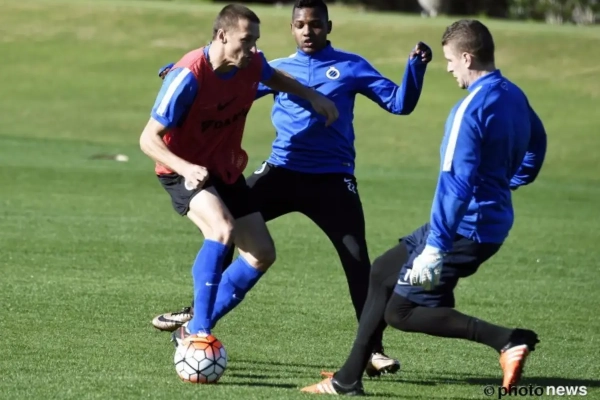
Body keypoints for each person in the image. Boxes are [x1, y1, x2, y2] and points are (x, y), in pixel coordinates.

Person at [152, 0, 432, 376]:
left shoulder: (351, 66)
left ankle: (373, 351)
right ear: (292, 28)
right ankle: (198, 319)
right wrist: (179, 76)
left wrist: (415, 69)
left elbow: (400, 104)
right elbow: (220, 88)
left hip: (332, 180)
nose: (307, 31)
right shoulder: (267, 66)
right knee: (226, 229)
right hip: (281, 172)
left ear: (328, 27)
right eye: (300, 25)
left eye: (315, 24)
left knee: (357, 263)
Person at [300, 19, 547, 395]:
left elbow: (454, 184)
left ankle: (507, 339)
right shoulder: (514, 94)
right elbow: (537, 143)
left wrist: (435, 248)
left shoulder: (469, 110)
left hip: (465, 229)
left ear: (467, 58)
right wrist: (509, 182)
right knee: (381, 272)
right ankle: (347, 378)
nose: (448, 68)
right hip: (476, 222)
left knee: (401, 313)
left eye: (450, 60)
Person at [140, 3, 339, 342]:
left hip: (225, 168)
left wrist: (311, 95)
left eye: (256, 40)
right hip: (181, 168)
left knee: (262, 253)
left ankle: (189, 330)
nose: (253, 49)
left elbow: (274, 76)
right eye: (246, 40)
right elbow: (148, 139)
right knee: (221, 229)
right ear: (222, 36)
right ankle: (200, 332)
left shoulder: (251, 64)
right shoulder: (188, 76)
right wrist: (186, 168)